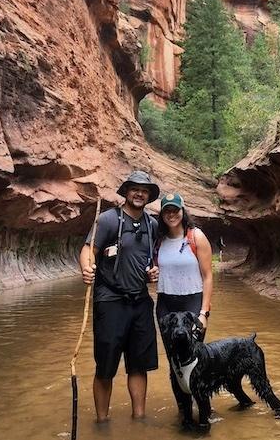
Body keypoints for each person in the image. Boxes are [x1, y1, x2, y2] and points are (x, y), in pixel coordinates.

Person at [79, 170, 160, 422]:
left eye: (144, 190)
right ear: (126, 191)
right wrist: (87, 268)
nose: (139, 193)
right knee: (105, 366)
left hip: (141, 302)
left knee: (138, 365)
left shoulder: (153, 225)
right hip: (110, 301)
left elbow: (149, 259)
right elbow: (88, 250)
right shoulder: (108, 220)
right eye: (135, 189)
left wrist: (152, 272)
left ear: (149, 196)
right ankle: (102, 421)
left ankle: (139, 419)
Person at [154, 192, 213, 334]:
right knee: (171, 354)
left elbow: (208, 276)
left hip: (192, 302)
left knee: (193, 354)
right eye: (167, 211)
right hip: (165, 304)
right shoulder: (159, 239)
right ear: (162, 215)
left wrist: (204, 313)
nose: (171, 215)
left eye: (175, 210)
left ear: (183, 211)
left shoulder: (196, 236)